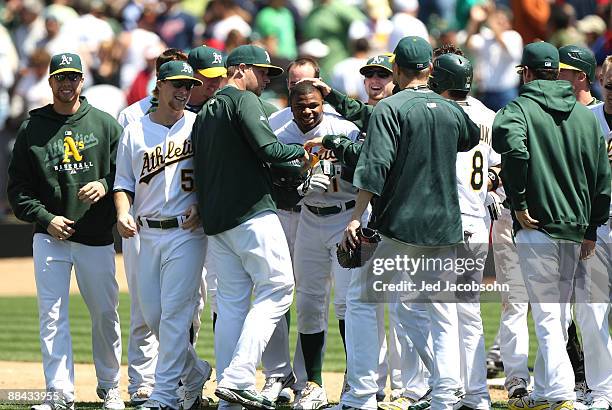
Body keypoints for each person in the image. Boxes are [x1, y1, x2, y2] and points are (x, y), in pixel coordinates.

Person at [339, 35, 481, 410]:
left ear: (397, 69)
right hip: (443, 224)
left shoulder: (390, 108)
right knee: (440, 308)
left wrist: (356, 218)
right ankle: (447, 394)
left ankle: (361, 396)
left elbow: (375, 167)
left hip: (397, 224)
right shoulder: (451, 109)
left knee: (362, 301)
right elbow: (468, 138)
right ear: (430, 69)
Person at [492, 41, 610, 410]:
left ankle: (559, 393)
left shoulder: (519, 109)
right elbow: (602, 179)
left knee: (548, 314)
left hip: (539, 225)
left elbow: (512, 150)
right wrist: (591, 228)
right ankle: (547, 390)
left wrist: (519, 202)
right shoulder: (584, 115)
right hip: (578, 229)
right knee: (561, 315)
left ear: (526, 73)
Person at [192, 44, 309, 410]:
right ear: (239, 68)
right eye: (262, 72)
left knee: (230, 307)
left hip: (219, 222)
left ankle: (229, 397)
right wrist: (306, 154)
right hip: (251, 213)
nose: (267, 80)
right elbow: (271, 150)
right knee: (279, 287)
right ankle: (240, 376)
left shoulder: (205, 112)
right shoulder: (242, 101)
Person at [7, 52, 124, 410]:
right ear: (50, 82)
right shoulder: (32, 128)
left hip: (96, 234)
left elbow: (127, 175)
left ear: (82, 81)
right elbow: (18, 190)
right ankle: (59, 394)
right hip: (50, 236)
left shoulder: (104, 125)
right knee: (52, 315)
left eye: (73, 77)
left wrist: (105, 184)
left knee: (105, 313)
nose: (67, 83)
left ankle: (110, 387)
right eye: (61, 77)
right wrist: (46, 218)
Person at [114, 60, 212, 410]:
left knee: (173, 314)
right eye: (177, 85)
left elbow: (213, 175)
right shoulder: (135, 131)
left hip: (187, 233)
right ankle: (195, 369)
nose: (184, 91)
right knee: (152, 315)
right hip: (146, 233)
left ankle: (163, 395)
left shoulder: (199, 126)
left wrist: (201, 203)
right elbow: (123, 182)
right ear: (159, 87)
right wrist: (123, 212)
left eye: (188, 85)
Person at [558, 45, 612, 410]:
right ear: (600, 82)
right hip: (598, 227)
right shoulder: (588, 119)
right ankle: (602, 390)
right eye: (610, 84)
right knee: (591, 312)